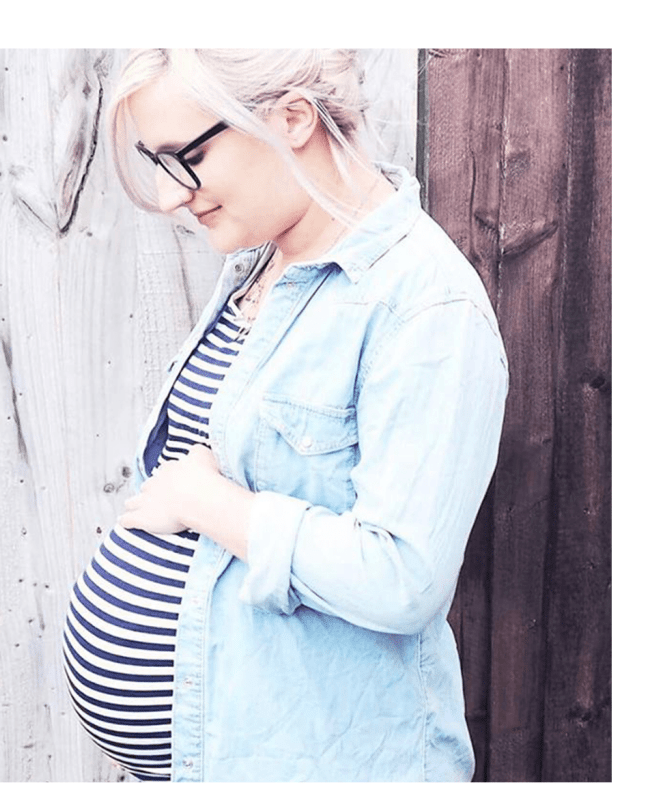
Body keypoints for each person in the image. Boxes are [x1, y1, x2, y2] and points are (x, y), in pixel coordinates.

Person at [61, 49, 508, 782]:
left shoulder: (427, 308)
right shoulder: (265, 261)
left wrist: (211, 504)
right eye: (156, 164)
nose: (171, 197)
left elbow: (403, 577)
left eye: (185, 159)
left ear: (292, 118)